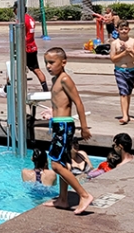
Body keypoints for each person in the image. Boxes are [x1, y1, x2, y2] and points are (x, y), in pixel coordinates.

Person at [42, 47, 94, 215]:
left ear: (63, 62)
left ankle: (84, 195)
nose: (48, 66)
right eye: (46, 63)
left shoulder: (65, 79)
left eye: (51, 63)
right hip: (58, 124)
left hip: (64, 126)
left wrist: (84, 127)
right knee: (63, 162)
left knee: (56, 164)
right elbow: (59, 103)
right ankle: (63, 199)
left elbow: (78, 102)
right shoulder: (56, 79)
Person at [111, 20, 134, 125]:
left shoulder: (133, 41)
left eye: (125, 29)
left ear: (129, 29)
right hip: (120, 70)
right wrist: (123, 53)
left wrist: (130, 50)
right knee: (123, 93)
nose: (124, 31)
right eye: (121, 29)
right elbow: (113, 59)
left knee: (128, 93)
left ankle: (127, 114)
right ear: (117, 30)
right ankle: (124, 116)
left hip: (131, 70)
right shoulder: (114, 43)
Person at [14, 2, 48, 92]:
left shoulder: (22, 20)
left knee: (14, 68)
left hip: (25, 49)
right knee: (36, 69)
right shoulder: (30, 19)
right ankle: (46, 90)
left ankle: (6, 89)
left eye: (15, 9)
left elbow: (20, 35)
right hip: (32, 47)